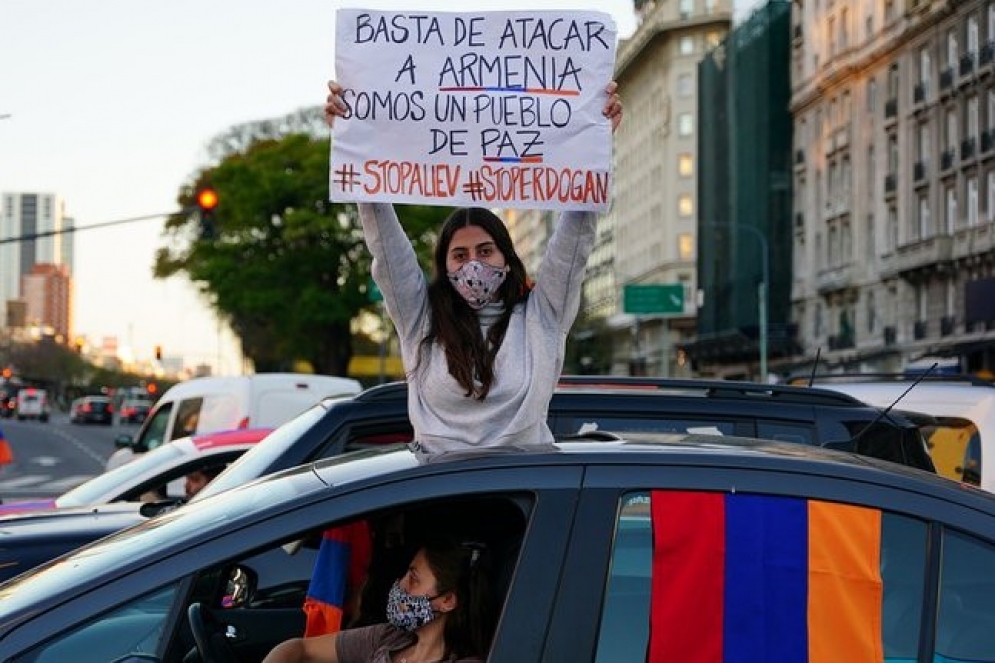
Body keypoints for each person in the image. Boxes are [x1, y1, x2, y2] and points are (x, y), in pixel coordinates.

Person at [324, 80, 623, 453]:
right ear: (444, 265)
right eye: (460, 256)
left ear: (507, 259)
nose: (474, 265)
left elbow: (574, 243)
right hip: (436, 499)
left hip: (529, 501)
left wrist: (596, 147)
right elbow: (386, 246)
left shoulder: (543, 316)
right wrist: (354, 143)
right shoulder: (419, 319)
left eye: (485, 251)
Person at [263, 537, 495, 663]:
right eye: (406, 574)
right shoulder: (389, 638)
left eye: (413, 580)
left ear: (447, 601)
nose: (400, 585)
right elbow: (298, 648)